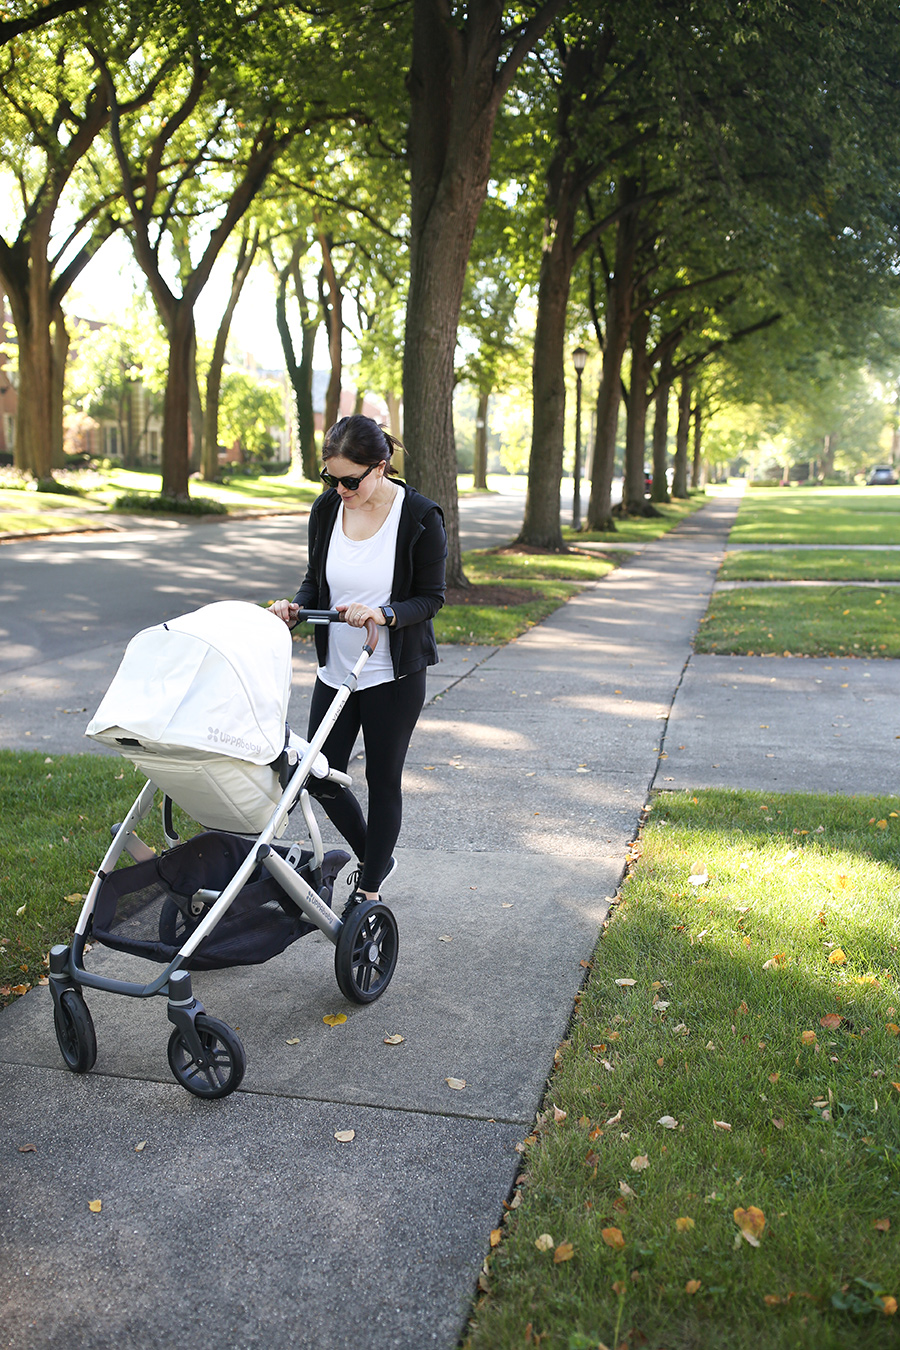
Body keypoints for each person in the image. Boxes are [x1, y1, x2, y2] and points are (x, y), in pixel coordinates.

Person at [272, 415, 447, 910]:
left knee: (382, 779)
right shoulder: (328, 509)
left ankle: (368, 890)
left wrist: (384, 613)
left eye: (351, 479)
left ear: (381, 467)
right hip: (337, 671)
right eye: (332, 477)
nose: (341, 488)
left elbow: (431, 599)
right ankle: (377, 856)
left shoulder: (418, 516)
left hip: (391, 673)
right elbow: (315, 582)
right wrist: (293, 608)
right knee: (314, 774)